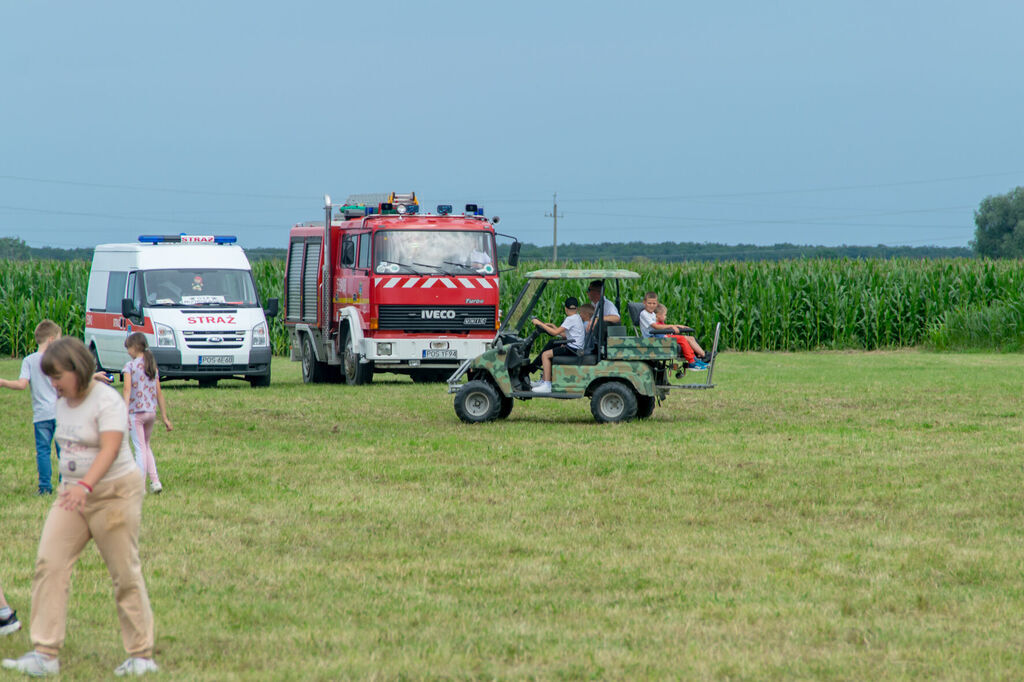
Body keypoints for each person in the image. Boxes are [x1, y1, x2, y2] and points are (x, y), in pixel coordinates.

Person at [2, 338, 158, 678]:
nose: (53, 384)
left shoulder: (106, 400)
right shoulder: (63, 401)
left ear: (77, 369)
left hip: (112, 493)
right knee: (49, 564)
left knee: (124, 572)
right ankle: (45, 654)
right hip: (71, 494)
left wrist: (87, 485)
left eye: (57, 376)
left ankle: (141, 655)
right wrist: (75, 487)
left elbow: (111, 447)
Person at [0, 320, 62, 495]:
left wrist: (3, 382)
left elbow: (21, 385)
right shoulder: (58, 360)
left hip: (41, 415)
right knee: (63, 451)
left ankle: (44, 487)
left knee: (43, 451)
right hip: (60, 413)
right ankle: (66, 485)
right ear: (51, 340)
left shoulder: (29, 360)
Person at [122, 333, 172, 494]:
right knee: (146, 446)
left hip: (136, 413)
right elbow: (159, 392)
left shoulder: (130, 366)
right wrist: (164, 417)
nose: (128, 351)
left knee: (139, 449)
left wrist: (124, 410)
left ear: (135, 347)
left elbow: (127, 389)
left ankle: (139, 486)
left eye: (128, 348)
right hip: (151, 412)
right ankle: (155, 481)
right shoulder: (152, 367)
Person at [527, 296, 588, 394]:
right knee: (552, 343)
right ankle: (542, 379)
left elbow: (555, 333)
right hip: (574, 346)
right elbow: (565, 335)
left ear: (565, 308)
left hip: (573, 349)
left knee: (545, 355)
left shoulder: (570, 319)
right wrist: (553, 326)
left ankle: (547, 384)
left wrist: (540, 323)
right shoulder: (577, 317)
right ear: (576, 308)